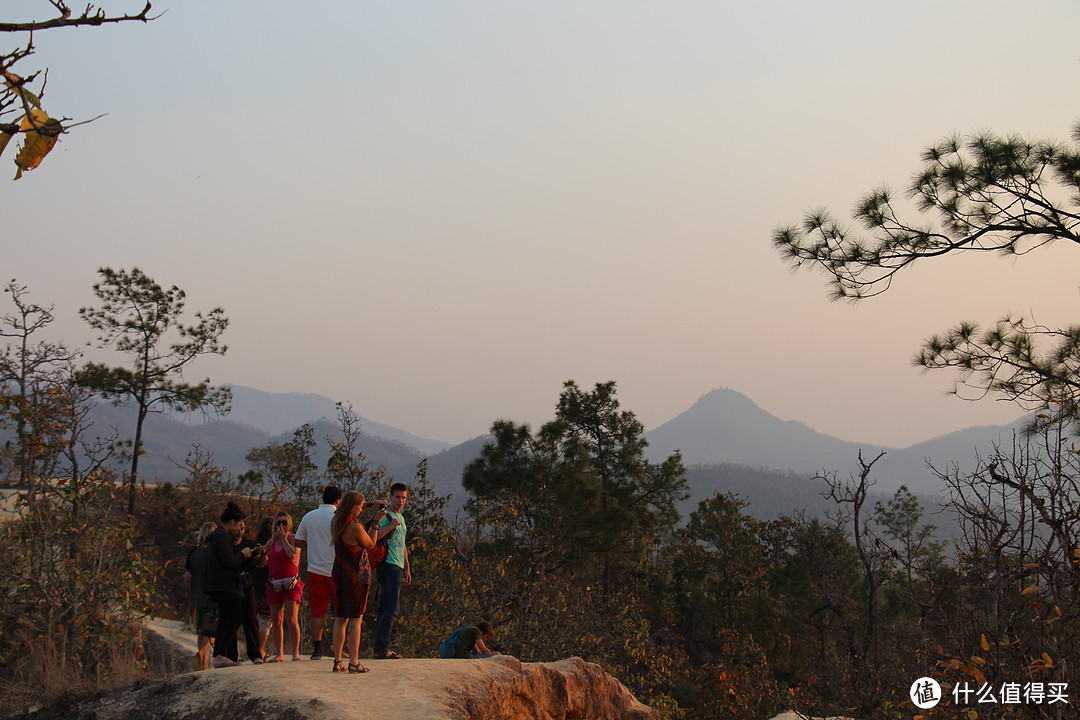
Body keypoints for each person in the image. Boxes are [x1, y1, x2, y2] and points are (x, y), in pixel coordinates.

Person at [329, 490, 385, 674]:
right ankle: (354, 661)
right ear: (353, 508)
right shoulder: (354, 527)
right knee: (355, 618)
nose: (362, 510)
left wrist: (370, 503)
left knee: (339, 617)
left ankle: (338, 661)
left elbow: (348, 508)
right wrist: (376, 521)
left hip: (338, 572)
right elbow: (370, 543)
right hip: (355, 574)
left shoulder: (336, 521)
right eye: (360, 508)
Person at [204, 502, 256, 668]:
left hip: (217, 585)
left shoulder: (215, 537)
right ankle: (220, 654)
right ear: (232, 522)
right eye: (239, 525)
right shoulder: (224, 538)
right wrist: (243, 554)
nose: (240, 530)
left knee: (226, 619)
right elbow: (228, 561)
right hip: (227, 585)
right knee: (236, 617)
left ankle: (220, 655)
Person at [293, 485, 341, 659]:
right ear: (338, 500)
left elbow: (297, 541)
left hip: (315, 569)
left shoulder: (309, 517)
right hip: (336, 570)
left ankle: (317, 648)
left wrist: (312, 545)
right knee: (340, 611)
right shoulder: (338, 517)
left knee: (317, 611)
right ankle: (338, 646)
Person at [372, 482, 409, 660]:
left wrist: (407, 568)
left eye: (403, 497)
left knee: (387, 608)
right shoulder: (386, 516)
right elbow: (374, 537)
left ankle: (380, 647)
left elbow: (403, 545)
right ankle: (381, 648)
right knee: (390, 609)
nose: (400, 500)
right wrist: (390, 525)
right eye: (397, 497)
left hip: (398, 566)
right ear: (391, 497)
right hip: (387, 565)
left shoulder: (401, 519)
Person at [264, 511, 304, 661]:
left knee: (291, 618)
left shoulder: (294, 539)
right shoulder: (272, 541)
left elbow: (292, 554)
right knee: (276, 619)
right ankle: (279, 653)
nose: (282, 526)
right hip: (275, 583)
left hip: (291, 583)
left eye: (284, 522)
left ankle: (295, 652)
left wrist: (283, 539)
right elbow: (263, 552)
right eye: (279, 523)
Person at [183, 521, 217, 670]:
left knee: (202, 631)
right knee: (214, 629)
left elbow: (187, 577)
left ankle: (202, 663)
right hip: (214, 598)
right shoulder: (217, 553)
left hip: (197, 598)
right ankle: (201, 653)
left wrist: (194, 588)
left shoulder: (193, 553)